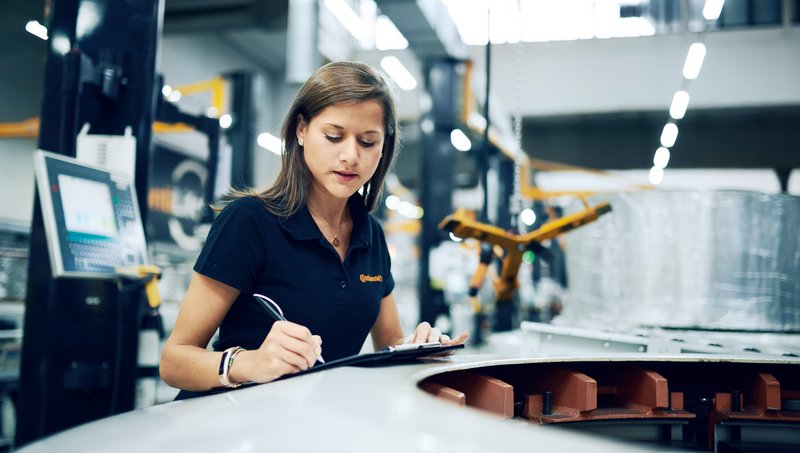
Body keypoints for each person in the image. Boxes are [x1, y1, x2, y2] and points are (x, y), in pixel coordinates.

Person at [160, 61, 469, 396]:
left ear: (383, 147)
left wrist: (418, 348)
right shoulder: (249, 221)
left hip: (314, 425)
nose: (350, 156)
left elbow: (389, 344)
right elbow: (174, 361)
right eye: (334, 136)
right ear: (301, 130)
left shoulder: (371, 237)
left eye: (367, 142)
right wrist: (249, 363)